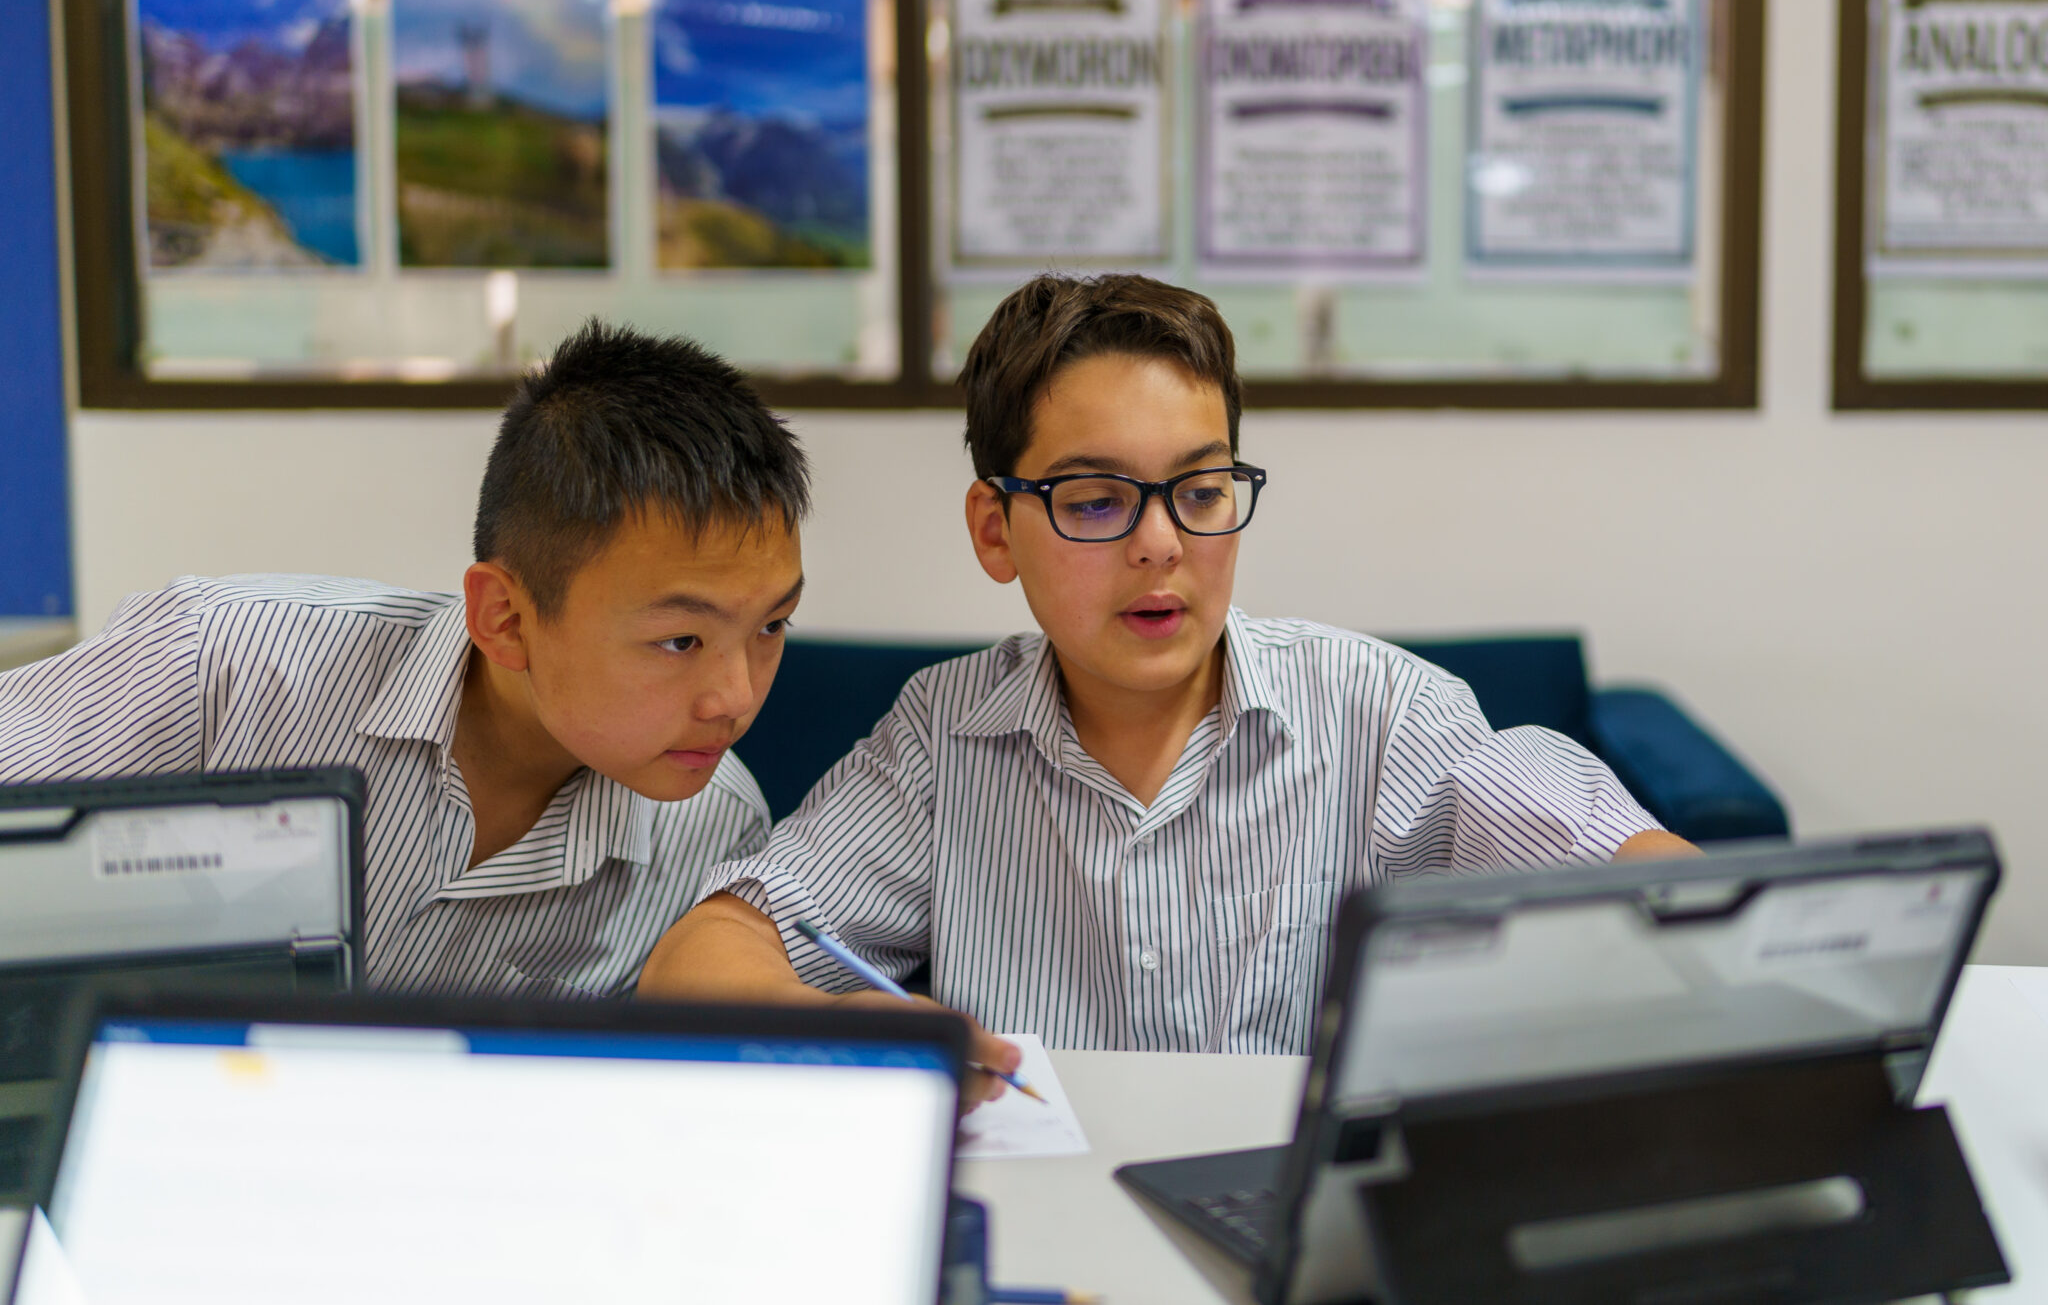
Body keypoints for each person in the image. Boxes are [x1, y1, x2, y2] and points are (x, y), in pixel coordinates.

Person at [638, 274, 1693, 1090]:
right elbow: (699, 960)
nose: (1159, 546)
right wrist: (844, 1024)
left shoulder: (1378, 713)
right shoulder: (942, 738)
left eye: (1198, 490)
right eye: (1095, 500)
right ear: (993, 530)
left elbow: (1642, 877)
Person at [0, 320, 809, 997]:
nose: (735, 698)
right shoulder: (224, 665)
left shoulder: (717, 828)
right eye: (681, 641)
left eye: (773, 626)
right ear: (506, 619)